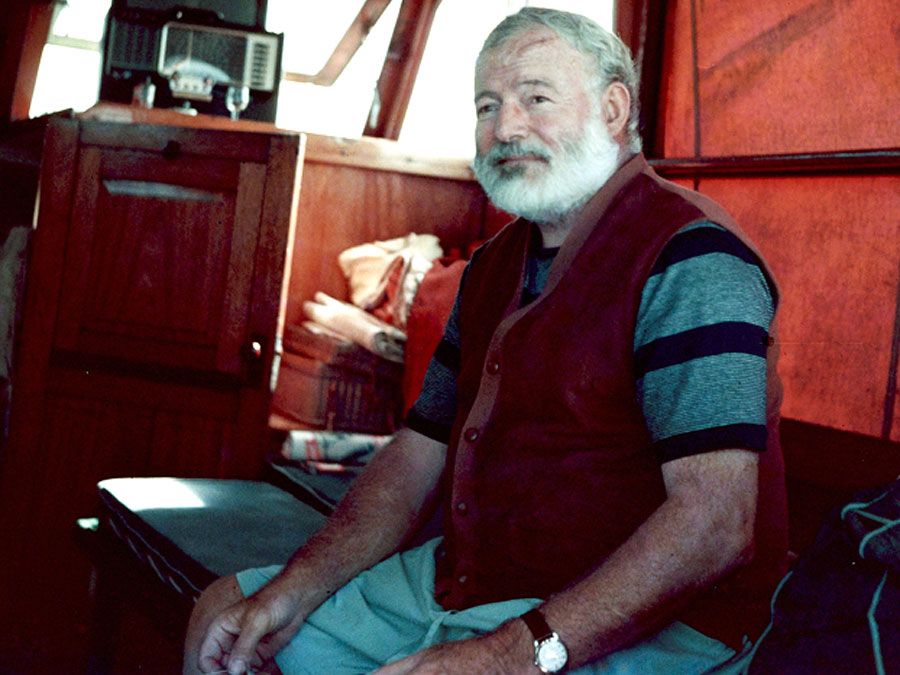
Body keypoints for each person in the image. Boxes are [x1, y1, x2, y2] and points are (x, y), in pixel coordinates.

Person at [183, 8, 787, 674]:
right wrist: (294, 587)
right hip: (471, 586)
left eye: (536, 98)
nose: (505, 127)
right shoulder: (494, 266)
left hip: (644, 621)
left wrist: (507, 653)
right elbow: (417, 452)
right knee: (225, 618)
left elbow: (717, 522)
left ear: (614, 109)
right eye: (487, 105)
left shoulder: (692, 258)